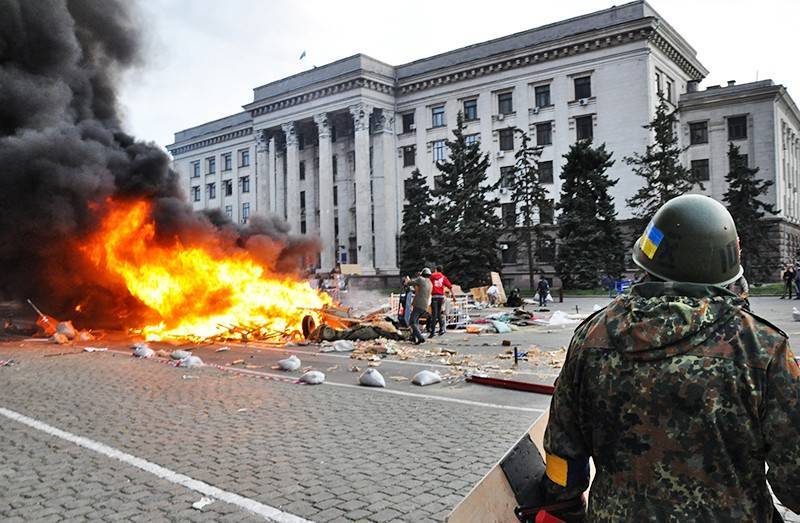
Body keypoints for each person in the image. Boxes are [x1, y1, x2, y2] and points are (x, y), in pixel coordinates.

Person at [539, 195, 800, 521]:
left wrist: (567, 509)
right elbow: (793, 478)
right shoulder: (762, 348)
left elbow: (563, 451)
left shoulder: (590, 337)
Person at [403, 268, 432, 345]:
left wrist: (407, 279)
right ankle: (414, 337)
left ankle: (420, 337)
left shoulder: (420, 279)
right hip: (425, 305)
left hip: (418, 304)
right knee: (416, 321)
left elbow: (409, 283)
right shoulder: (430, 283)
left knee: (412, 322)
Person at [428, 265, 452, 337]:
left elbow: (427, 281)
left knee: (434, 314)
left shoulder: (432, 276)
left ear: (436, 269)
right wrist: (453, 296)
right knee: (438, 313)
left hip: (434, 297)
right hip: (441, 297)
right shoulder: (444, 277)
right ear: (442, 270)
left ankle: (432, 332)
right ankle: (441, 329)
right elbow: (450, 286)